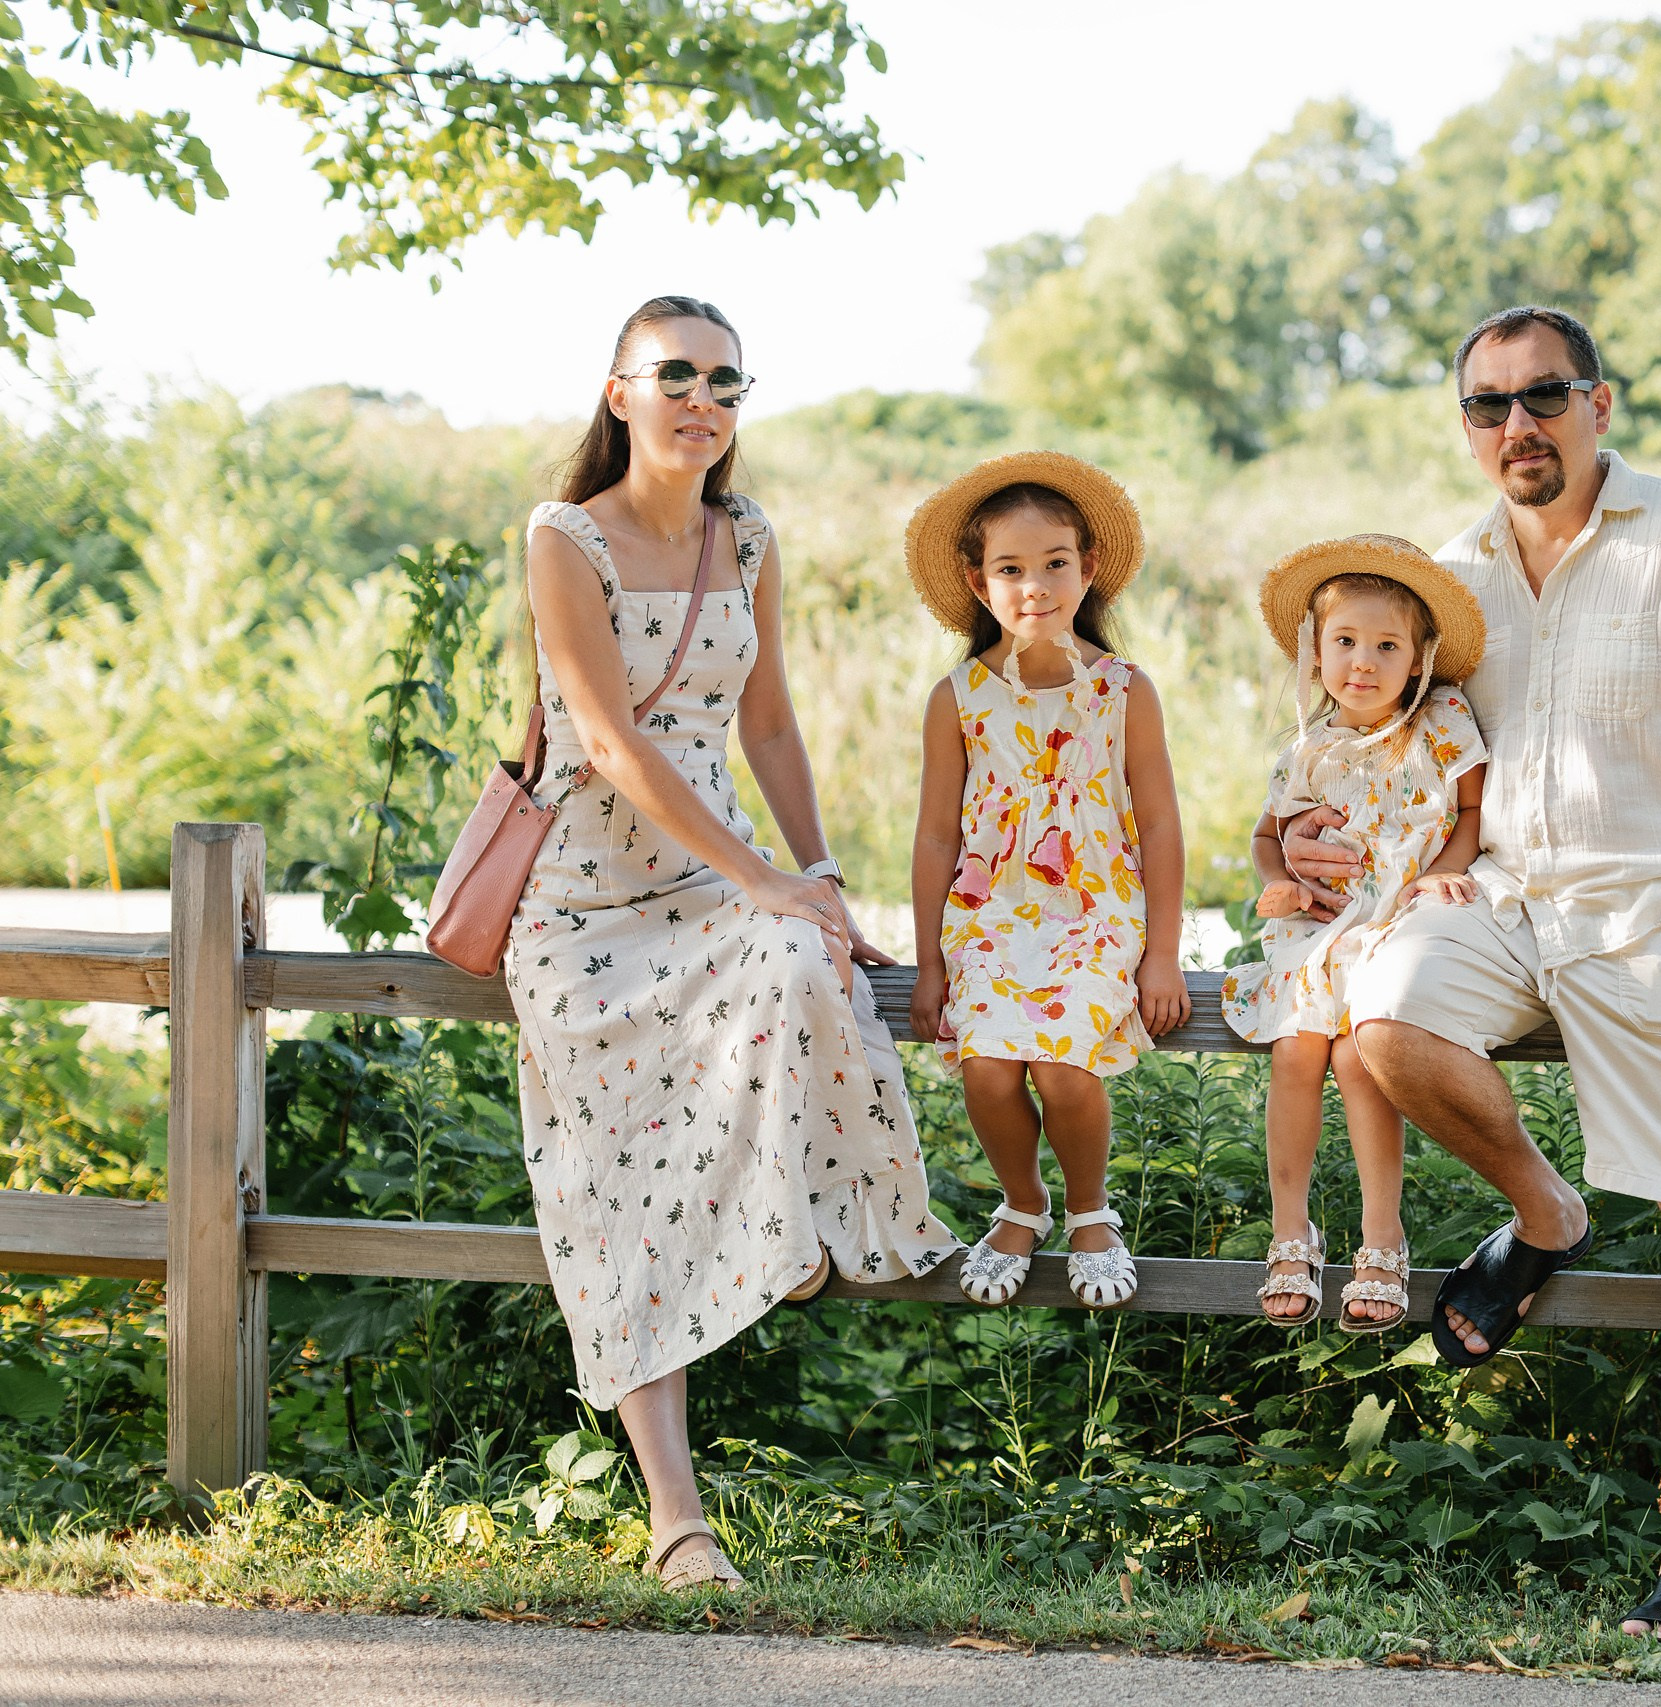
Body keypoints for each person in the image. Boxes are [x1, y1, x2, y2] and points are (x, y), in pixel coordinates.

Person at [1288, 306, 1661, 1638]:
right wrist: (1309, 831)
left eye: (1544, 396)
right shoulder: (1447, 569)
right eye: (1488, 405)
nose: (1517, 426)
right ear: (1466, 423)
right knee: (1383, 1017)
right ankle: (1548, 1214)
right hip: (1500, 895)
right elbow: (1389, 742)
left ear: (1603, 400)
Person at [506, 295, 960, 1593]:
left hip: (717, 889)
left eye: (725, 381)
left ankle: (794, 1223)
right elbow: (606, 737)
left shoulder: (745, 536)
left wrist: (811, 876)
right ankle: (677, 1514)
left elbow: (768, 726)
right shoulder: (564, 538)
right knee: (620, 1184)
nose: (702, 399)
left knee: (809, 964)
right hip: (586, 905)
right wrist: (760, 870)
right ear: (619, 390)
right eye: (676, 375)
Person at [904, 453, 1191, 1313]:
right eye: (1011, 568)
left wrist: (1164, 955)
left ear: (1088, 567)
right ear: (978, 580)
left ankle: (1090, 1210)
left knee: (1064, 1066)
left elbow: (1162, 823)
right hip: (990, 912)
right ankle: (1023, 1202)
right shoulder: (957, 697)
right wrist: (927, 962)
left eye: (1055, 563)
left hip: (1095, 911)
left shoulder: (1122, 690)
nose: (1036, 586)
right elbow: (935, 833)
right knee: (989, 1067)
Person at [1221, 537, 1489, 1333]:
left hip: (1399, 921)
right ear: (1314, 652)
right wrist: (1283, 879)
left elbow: (1471, 810)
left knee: (1357, 1053)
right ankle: (1290, 1227)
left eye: (1385, 646)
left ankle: (1383, 1233)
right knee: (1299, 1047)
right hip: (1322, 927)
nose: (1362, 663)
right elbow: (1266, 837)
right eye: (1344, 642)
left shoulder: (1440, 721)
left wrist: (1443, 870)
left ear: (1419, 660)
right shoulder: (1308, 746)